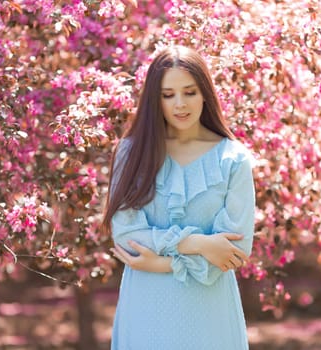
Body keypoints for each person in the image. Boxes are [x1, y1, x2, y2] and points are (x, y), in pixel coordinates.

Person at [102, 45, 256, 350]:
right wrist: (198, 244)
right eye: (167, 94)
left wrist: (162, 265)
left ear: (205, 94)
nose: (180, 104)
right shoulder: (131, 153)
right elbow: (127, 234)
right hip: (146, 308)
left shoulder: (233, 159)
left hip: (209, 311)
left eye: (189, 92)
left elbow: (234, 250)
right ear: (154, 99)